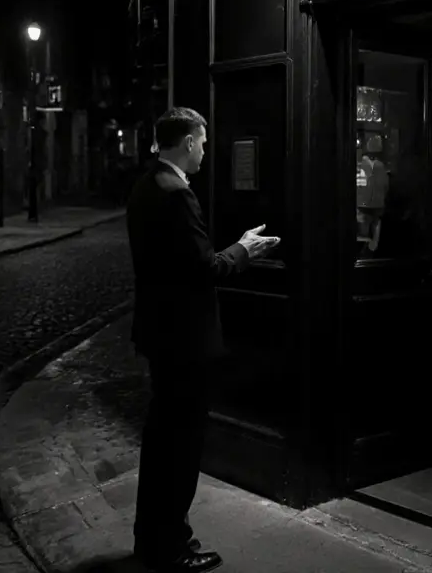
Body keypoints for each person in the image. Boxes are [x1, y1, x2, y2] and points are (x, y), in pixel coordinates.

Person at [127, 107, 280, 573]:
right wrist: (244, 250)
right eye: (204, 142)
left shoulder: (146, 184)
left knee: (160, 444)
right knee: (180, 446)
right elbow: (204, 268)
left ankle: (154, 541)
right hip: (184, 341)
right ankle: (170, 547)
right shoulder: (176, 195)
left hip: (160, 335)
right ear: (189, 141)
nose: (206, 151)